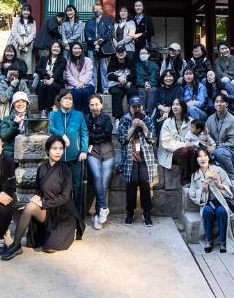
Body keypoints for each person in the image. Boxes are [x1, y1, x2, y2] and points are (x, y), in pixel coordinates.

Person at [1, 135, 85, 260]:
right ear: (47, 150)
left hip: (64, 214)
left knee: (49, 248)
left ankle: (66, 233)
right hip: (49, 212)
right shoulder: (41, 169)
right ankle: (16, 245)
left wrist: (43, 204)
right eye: (54, 148)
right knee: (30, 207)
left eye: (61, 148)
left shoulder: (66, 170)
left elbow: (65, 197)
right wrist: (36, 198)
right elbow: (39, 190)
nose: (58, 151)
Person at [189, 146, 234, 253]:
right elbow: (192, 194)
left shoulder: (218, 170)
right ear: (196, 159)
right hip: (207, 203)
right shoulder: (195, 175)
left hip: (221, 202)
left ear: (209, 158)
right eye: (199, 157)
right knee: (207, 212)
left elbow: (230, 188)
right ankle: (209, 241)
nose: (202, 158)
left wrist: (219, 185)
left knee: (222, 212)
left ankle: (223, 242)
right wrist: (203, 189)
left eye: (205, 156)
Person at [48, 89, 89, 216]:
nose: (68, 101)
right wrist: (62, 135)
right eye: (65, 98)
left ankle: (77, 215)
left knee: (77, 187)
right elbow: (50, 127)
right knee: (59, 188)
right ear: (59, 101)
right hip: (58, 159)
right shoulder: (53, 115)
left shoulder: (78, 115)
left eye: (70, 98)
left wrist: (84, 150)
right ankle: (60, 214)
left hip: (75, 158)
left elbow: (84, 133)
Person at [118, 95, 157, 226]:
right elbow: (122, 140)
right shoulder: (125, 119)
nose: (136, 109)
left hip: (144, 157)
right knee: (132, 181)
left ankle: (147, 212)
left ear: (142, 107)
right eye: (134, 107)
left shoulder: (147, 119)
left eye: (139, 106)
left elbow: (152, 140)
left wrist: (143, 126)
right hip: (130, 156)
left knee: (144, 181)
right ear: (130, 107)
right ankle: (130, 211)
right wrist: (133, 127)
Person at [85, 93, 115, 230]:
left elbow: (107, 134)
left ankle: (98, 215)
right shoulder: (86, 118)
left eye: (97, 104)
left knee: (103, 182)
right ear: (89, 106)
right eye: (92, 104)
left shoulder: (107, 118)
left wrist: (94, 136)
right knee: (97, 176)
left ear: (101, 105)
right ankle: (103, 207)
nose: (94, 107)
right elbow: (86, 135)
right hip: (93, 151)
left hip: (107, 151)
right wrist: (97, 135)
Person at [158, 98, 198, 185]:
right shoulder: (167, 122)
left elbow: (198, 136)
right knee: (184, 150)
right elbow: (166, 143)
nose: (175, 107)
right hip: (170, 153)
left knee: (191, 149)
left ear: (183, 107)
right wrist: (185, 144)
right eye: (173, 104)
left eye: (178, 104)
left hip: (188, 150)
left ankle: (194, 177)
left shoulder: (190, 121)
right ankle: (185, 179)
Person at [205, 94, 234, 186]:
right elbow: (205, 135)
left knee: (219, 152)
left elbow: (233, 142)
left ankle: (233, 176)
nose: (219, 104)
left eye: (222, 102)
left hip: (230, 151)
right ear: (214, 104)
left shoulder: (232, 120)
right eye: (217, 102)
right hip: (214, 149)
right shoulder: (210, 119)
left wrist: (216, 148)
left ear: (227, 104)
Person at [84, 1, 114, 93]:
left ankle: (105, 88)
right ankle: (94, 88)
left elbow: (110, 31)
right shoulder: (89, 22)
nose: (97, 11)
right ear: (93, 11)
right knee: (92, 68)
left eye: (99, 9)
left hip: (104, 46)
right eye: (95, 9)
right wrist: (94, 42)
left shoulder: (107, 20)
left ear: (102, 10)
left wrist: (102, 40)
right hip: (92, 47)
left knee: (104, 68)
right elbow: (87, 33)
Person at [35, 41, 65, 117]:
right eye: (54, 46)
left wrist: (51, 80)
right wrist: (47, 71)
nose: (56, 48)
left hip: (57, 83)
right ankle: (42, 110)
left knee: (51, 86)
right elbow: (37, 69)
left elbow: (59, 71)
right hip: (44, 80)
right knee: (42, 86)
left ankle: (49, 109)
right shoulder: (44, 58)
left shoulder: (62, 60)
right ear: (51, 48)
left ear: (61, 49)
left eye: (58, 47)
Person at [106, 45, 136, 120]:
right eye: (118, 52)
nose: (121, 53)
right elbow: (109, 75)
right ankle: (118, 118)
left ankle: (133, 113)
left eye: (122, 52)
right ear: (116, 53)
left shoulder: (130, 61)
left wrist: (126, 78)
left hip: (127, 83)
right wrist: (118, 78)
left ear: (125, 52)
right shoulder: (112, 62)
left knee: (133, 91)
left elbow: (133, 73)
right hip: (115, 84)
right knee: (116, 93)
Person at [0, 91, 30, 162]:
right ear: (13, 105)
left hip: (27, 152)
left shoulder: (31, 119)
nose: (20, 104)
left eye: (23, 101)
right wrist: (15, 123)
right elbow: (4, 136)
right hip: (11, 155)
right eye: (17, 101)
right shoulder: (7, 119)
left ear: (27, 105)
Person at [64, 42, 95, 115]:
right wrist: (78, 84)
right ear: (71, 50)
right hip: (74, 86)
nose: (77, 50)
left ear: (82, 50)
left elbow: (89, 74)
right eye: (75, 48)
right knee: (78, 92)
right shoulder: (68, 62)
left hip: (87, 85)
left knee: (85, 92)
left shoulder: (88, 60)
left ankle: (87, 115)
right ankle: (78, 114)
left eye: (79, 48)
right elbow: (68, 76)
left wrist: (82, 83)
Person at [8, 3, 37, 72]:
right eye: (24, 10)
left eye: (28, 10)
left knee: (28, 61)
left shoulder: (33, 22)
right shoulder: (16, 20)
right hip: (17, 43)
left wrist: (26, 42)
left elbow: (33, 34)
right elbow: (14, 32)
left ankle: (27, 75)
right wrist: (21, 42)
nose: (26, 12)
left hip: (28, 44)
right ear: (21, 11)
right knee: (18, 59)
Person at [134, 46, 159, 113]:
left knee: (152, 90)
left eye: (144, 53)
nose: (142, 55)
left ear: (148, 54)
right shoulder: (137, 65)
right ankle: (143, 112)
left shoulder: (154, 65)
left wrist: (149, 84)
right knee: (141, 91)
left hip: (152, 85)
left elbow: (154, 77)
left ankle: (150, 112)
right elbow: (138, 78)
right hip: (142, 86)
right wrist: (144, 84)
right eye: (141, 54)